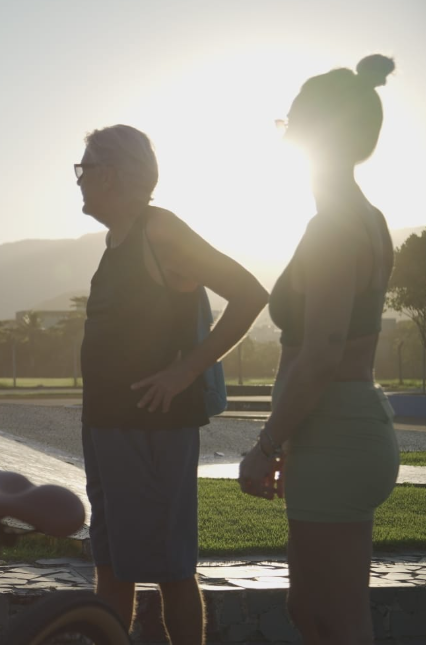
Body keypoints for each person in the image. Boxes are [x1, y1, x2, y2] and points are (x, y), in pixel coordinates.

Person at [77, 124, 267, 644]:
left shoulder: (159, 231)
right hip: (108, 428)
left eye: (84, 169)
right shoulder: (118, 240)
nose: (78, 181)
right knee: (113, 567)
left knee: (171, 571)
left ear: (111, 175)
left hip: (154, 431)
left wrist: (185, 371)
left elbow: (250, 293)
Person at [239, 55, 399, 645]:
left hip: (334, 432)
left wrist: (267, 443)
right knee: (314, 613)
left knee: (332, 621)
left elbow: (323, 355)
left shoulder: (334, 226)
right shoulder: (367, 217)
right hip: (340, 428)